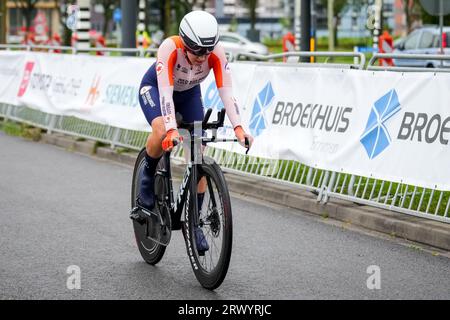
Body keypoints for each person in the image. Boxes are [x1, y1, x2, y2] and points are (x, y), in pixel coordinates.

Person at [136, 10, 253, 255]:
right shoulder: (170, 48)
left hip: (189, 95)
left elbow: (227, 92)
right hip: (157, 90)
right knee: (159, 131)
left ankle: (194, 223)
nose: (202, 57)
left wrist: (240, 127)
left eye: (207, 51)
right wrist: (170, 129)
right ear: (185, 43)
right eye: (197, 51)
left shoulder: (215, 53)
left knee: (198, 153)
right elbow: (166, 96)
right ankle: (146, 181)